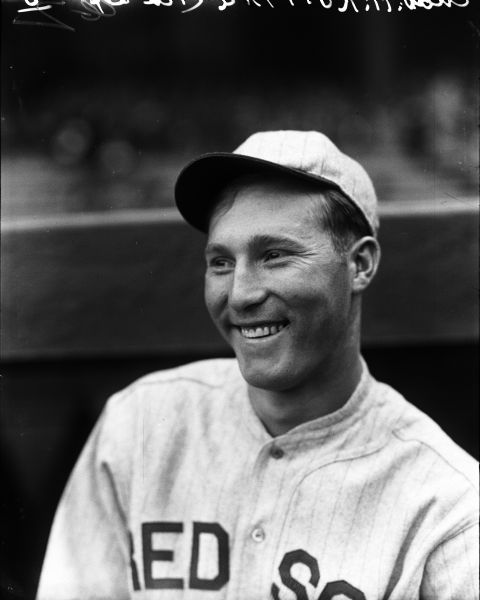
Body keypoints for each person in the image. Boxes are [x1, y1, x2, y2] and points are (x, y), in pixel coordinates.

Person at [37, 130, 478, 600]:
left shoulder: (447, 501)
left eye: (275, 255)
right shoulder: (140, 423)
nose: (242, 293)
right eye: (221, 262)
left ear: (361, 264)